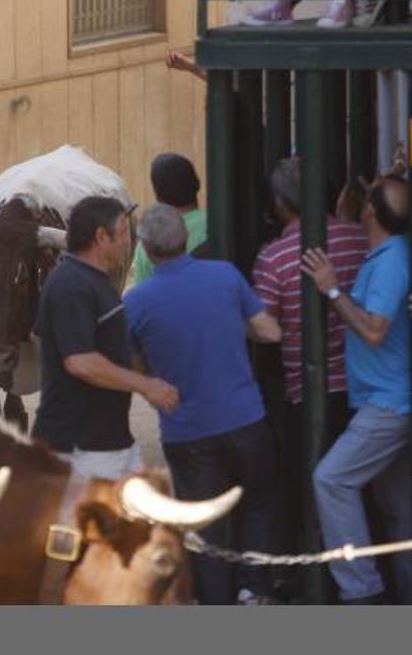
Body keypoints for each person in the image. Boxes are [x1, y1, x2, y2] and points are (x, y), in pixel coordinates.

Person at [125, 205, 283, 604]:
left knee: (205, 522)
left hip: (187, 428)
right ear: (186, 238)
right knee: (260, 503)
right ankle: (255, 590)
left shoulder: (137, 302)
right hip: (246, 417)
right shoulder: (225, 276)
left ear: (144, 247)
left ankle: (215, 605)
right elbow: (269, 331)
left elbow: (138, 370)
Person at [301, 175, 412, 604]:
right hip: (385, 399)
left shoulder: (390, 262)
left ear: (370, 213)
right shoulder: (387, 252)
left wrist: (330, 286)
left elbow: (373, 330)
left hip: (387, 405)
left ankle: (362, 591)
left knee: (330, 479)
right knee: (398, 509)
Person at [252, 157, 368, 560]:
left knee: (319, 491)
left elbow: (266, 327)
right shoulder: (362, 238)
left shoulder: (274, 257)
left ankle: (329, 576)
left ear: (281, 202)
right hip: (369, 388)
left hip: (311, 392)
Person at [32, 196, 180, 479]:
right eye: (124, 232)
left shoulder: (95, 281)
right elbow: (80, 362)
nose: (129, 240)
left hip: (109, 444)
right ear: (101, 237)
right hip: (80, 450)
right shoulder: (70, 284)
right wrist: (145, 385)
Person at [130, 153, 208, 285]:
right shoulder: (216, 225)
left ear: (157, 195)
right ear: (198, 184)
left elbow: (141, 290)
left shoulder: (147, 242)